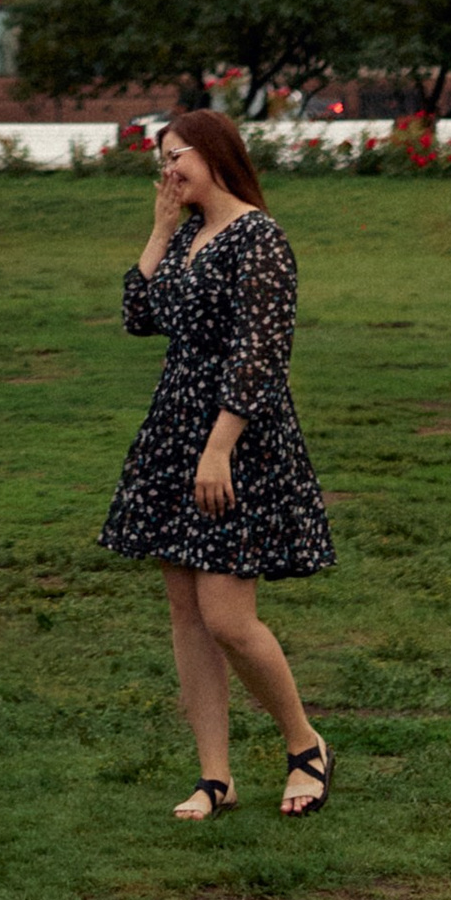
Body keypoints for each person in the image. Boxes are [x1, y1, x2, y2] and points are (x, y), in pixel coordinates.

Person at [99, 112, 335, 819]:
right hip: (175, 427)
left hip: (237, 437)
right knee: (186, 613)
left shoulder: (259, 239)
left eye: (177, 158)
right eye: (162, 161)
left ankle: (305, 746)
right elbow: (140, 316)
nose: (167, 171)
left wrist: (219, 446)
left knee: (228, 615)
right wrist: (160, 226)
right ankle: (215, 776)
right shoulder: (189, 236)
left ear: (216, 154)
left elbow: (262, 352)